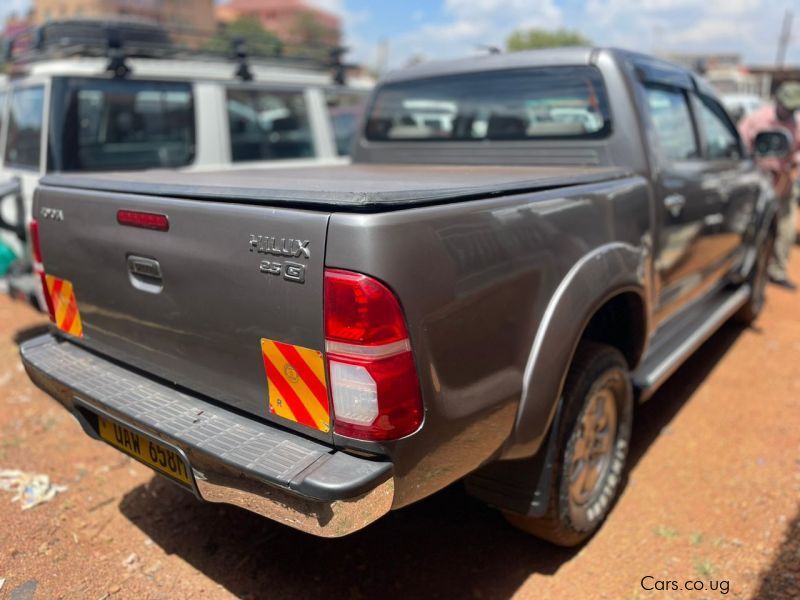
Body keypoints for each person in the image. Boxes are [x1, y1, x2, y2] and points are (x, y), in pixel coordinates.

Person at [738, 81, 800, 290]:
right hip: (759, 181)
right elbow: (740, 144)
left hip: (784, 182)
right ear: (777, 101)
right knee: (754, 225)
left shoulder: (796, 123)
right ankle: (748, 268)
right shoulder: (757, 119)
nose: (789, 112)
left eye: (793, 108)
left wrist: (793, 164)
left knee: (785, 229)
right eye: (786, 107)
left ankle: (777, 271)